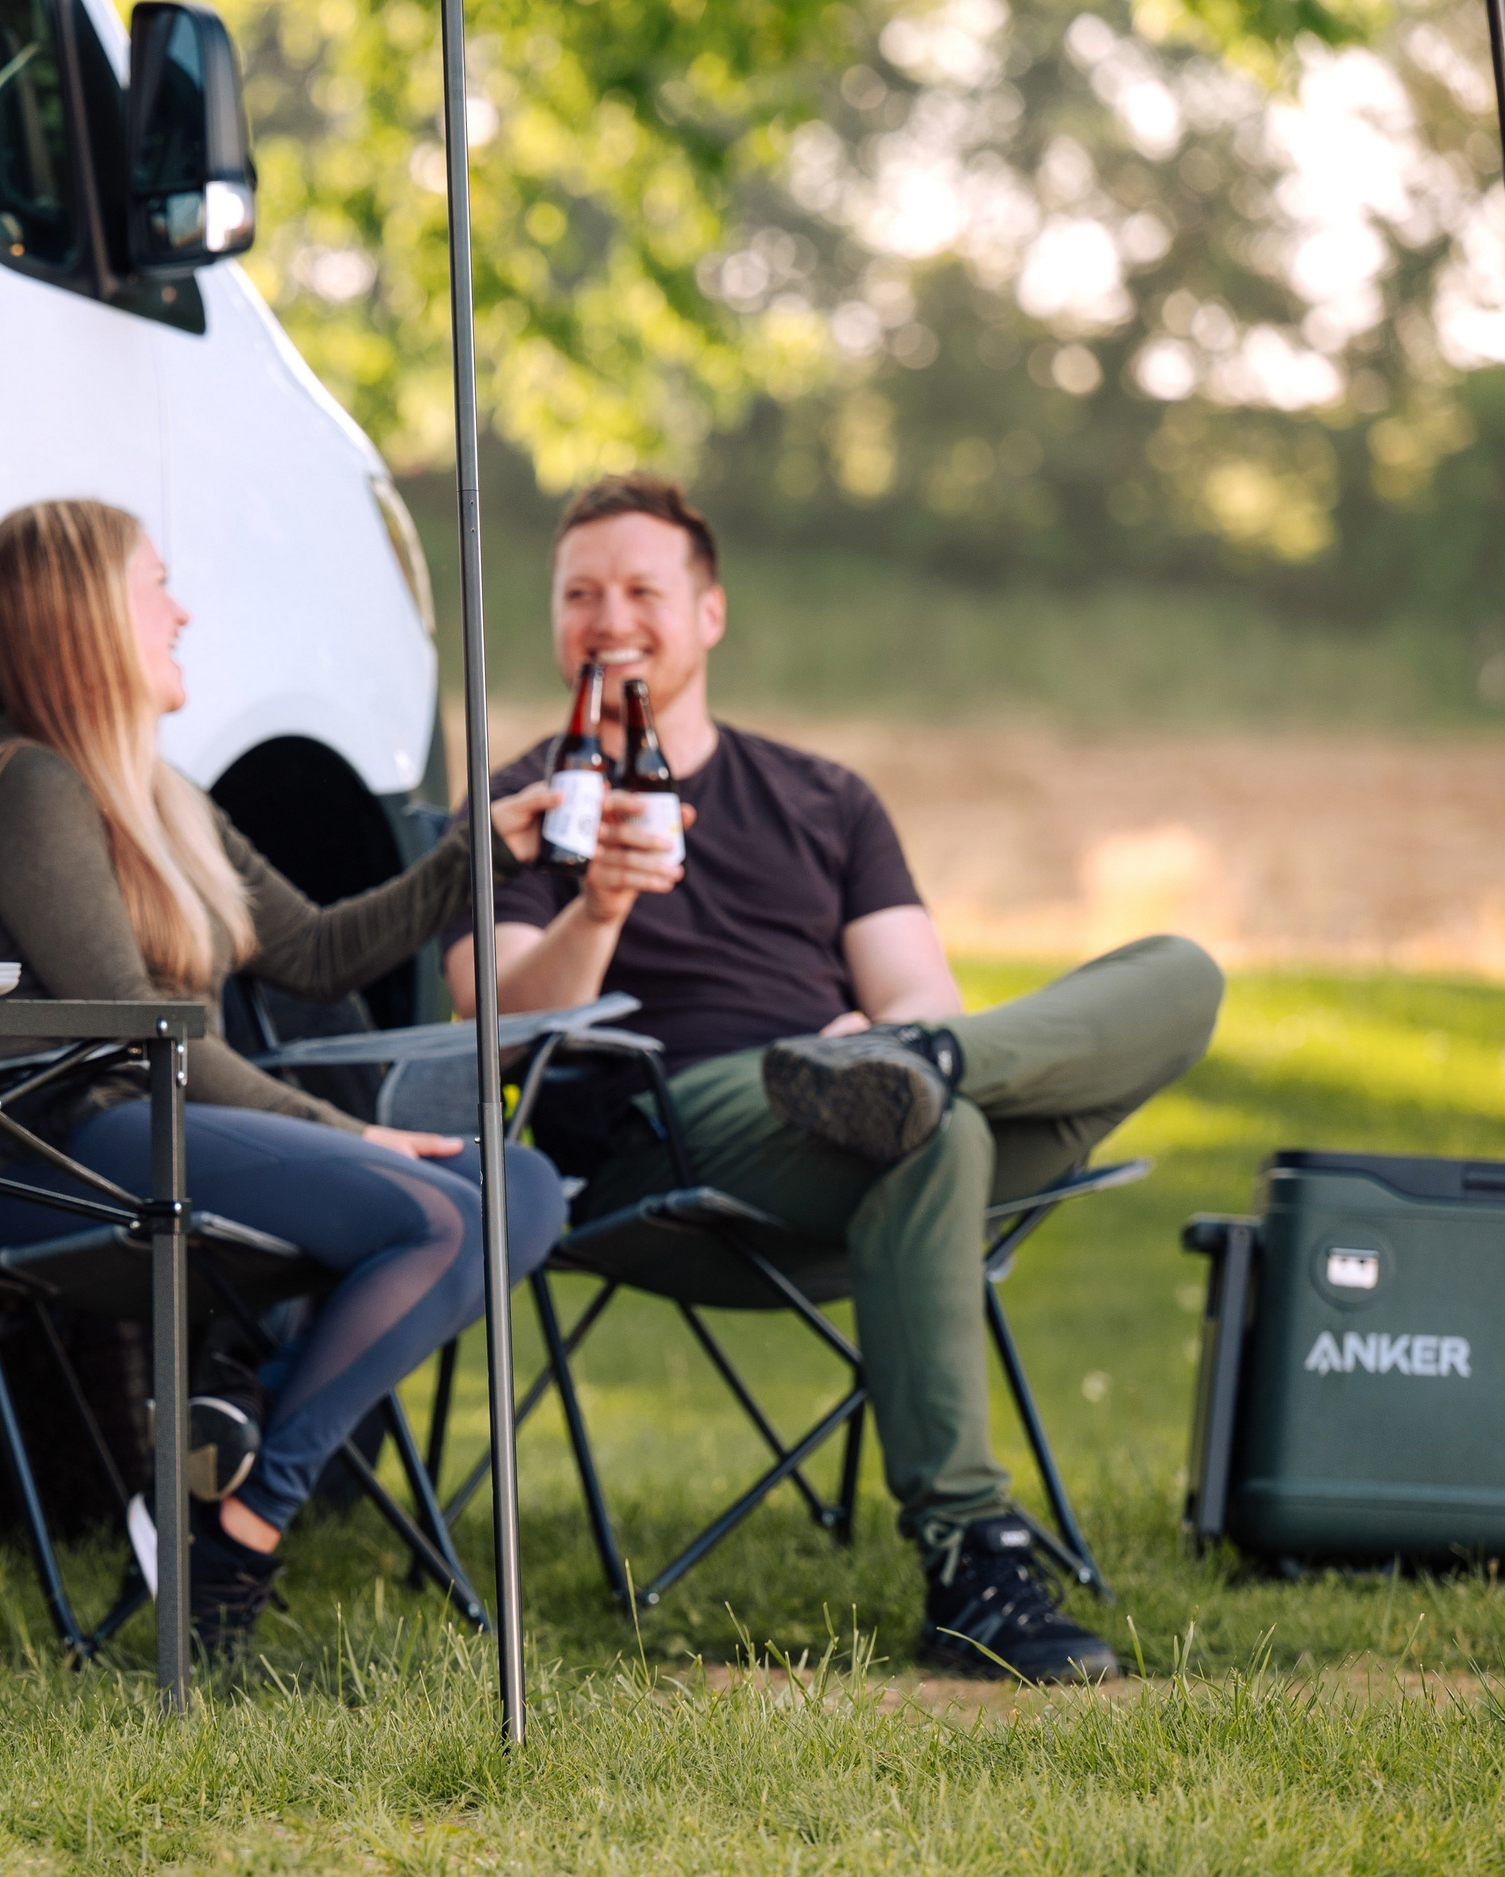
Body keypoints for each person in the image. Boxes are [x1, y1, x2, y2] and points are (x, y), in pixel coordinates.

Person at [442, 471, 1223, 1683]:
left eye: (643, 588)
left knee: (1177, 974)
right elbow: (495, 1027)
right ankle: (974, 1559)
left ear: (710, 612)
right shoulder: (517, 803)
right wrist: (596, 904)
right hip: (664, 1137)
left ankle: (920, 1075)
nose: (610, 617)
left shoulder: (825, 797)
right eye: (579, 592)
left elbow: (917, 981)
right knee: (938, 1133)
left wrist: (902, 1036)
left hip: (861, 1108)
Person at [0, 497, 569, 1657]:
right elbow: (137, 1029)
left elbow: (323, 949)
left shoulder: (167, 795)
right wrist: (350, 1134)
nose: (181, 611)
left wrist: (483, 845)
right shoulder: (26, 786)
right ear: (81, 616)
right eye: (156, 585)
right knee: (437, 1217)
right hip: (79, 1151)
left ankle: (224, 1469)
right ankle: (242, 1524)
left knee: (523, 1191)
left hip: (174, 1128)